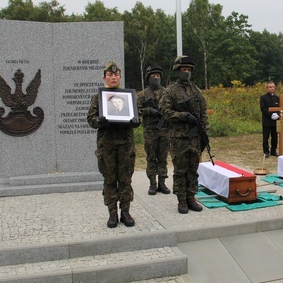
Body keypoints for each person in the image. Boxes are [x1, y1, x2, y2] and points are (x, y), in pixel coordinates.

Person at [87, 61, 140, 228]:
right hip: (107, 145)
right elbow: (90, 119)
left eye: (116, 75)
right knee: (110, 179)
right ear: (105, 77)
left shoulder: (128, 97)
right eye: (110, 75)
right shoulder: (98, 97)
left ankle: (125, 212)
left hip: (125, 143)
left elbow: (138, 118)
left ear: (120, 77)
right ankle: (112, 213)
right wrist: (99, 120)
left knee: (125, 179)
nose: (113, 77)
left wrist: (135, 121)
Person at [159, 55, 209, 214]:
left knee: (193, 169)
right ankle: (181, 199)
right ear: (177, 71)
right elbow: (164, 111)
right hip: (178, 138)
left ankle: (191, 197)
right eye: (183, 70)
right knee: (180, 169)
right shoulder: (171, 91)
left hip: (194, 137)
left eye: (188, 70)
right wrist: (182, 116)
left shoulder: (196, 91)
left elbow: (203, 113)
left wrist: (204, 131)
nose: (186, 72)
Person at [137, 64, 171, 196]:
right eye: (153, 76)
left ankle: (162, 182)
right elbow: (137, 110)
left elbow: (171, 108)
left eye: (157, 76)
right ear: (148, 77)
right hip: (150, 131)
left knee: (162, 157)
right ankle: (152, 183)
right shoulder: (143, 94)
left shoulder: (166, 93)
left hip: (164, 130)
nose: (155, 78)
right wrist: (148, 111)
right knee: (151, 157)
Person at [260, 81, 280, 158]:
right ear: (267, 88)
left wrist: (277, 114)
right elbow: (263, 109)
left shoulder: (277, 98)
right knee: (266, 137)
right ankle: (266, 151)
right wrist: (270, 115)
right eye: (270, 87)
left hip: (275, 121)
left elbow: (280, 108)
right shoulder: (263, 97)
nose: (272, 88)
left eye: (273, 87)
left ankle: (273, 150)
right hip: (267, 121)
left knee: (274, 137)